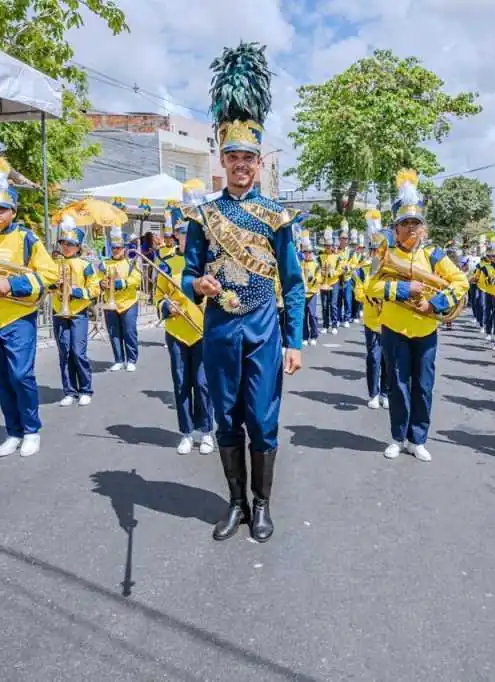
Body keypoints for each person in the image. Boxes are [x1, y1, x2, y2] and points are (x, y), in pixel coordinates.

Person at [180, 42, 304, 543]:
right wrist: (198, 284)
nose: (240, 165)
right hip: (218, 329)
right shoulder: (202, 215)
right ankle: (235, 504)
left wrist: (294, 341)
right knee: (225, 416)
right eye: (232, 156)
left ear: (259, 161)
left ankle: (262, 504)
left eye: (248, 158)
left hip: (263, 328)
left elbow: (294, 285)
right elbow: (187, 274)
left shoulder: (276, 215)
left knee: (263, 418)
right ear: (223, 159)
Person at [367, 170, 468, 462]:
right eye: (405, 224)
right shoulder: (384, 254)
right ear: (395, 228)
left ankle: (418, 438)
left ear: (423, 229)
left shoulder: (435, 255)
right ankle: (398, 437)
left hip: (425, 330)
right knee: (397, 386)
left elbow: (460, 282)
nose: (411, 229)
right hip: (394, 329)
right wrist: (403, 288)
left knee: (423, 386)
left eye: (416, 224)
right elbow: (370, 286)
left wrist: (434, 304)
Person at [0, 160, 59, 458]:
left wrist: (13, 285)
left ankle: (31, 430)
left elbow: (50, 274)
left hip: (19, 315)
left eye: (1, 209)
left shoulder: (26, 237)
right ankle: (13, 431)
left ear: (13, 212)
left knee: (21, 376)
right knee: (2, 378)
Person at [155, 200, 214, 456]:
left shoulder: (209, 264)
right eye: (181, 234)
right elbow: (158, 298)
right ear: (176, 236)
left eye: (190, 234)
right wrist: (167, 307)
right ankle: (186, 432)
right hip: (177, 331)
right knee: (181, 382)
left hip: (203, 332)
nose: (185, 239)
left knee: (202, 384)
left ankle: (207, 431)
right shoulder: (167, 265)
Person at [51, 220, 101, 407]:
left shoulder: (85, 265)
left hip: (78, 312)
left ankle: (86, 389)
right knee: (64, 352)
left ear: (78, 246)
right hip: (59, 311)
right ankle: (69, 391)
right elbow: (46, 283)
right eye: (64, 243)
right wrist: (53, 285)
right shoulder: (55, 263)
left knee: (78, 352)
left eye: (70, 244)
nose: (66, 247)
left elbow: (95, 290)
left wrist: (75, 291)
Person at [100, 229, 142, 372]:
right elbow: (97, 279)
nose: (116, 250)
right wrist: (101, 283)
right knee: (114, 332)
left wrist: (122, 283)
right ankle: (118, 359)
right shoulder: (104, 263)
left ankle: (131, 359)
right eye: (114, 248)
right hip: (110, 302)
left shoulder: (131, 262)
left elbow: (137, 279)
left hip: (128, 302)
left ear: (124, 248)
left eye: (119, 248)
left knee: (129, 331)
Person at [357, 230, 389, 409]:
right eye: (374, 250)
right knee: (374, 358)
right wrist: (369, 296)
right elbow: (359, 291)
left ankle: (385, 392)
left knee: (388, 359)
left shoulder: (390, 270)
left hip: (388, 321)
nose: (376, 253)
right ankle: (374, 393)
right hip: (371, 320)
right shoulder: (364, 271)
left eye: (379, 250)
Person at [299, 232, 322, 346]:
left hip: (312, 293)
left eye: (309, 252)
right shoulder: (301, 264)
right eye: (306, 252)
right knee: (303, 316)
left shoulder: (316, 264)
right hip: (303, 293)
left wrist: (313, 280)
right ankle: (304, 336)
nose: (307, 254)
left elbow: (319, 277)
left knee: (312, 315)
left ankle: (314, 335)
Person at [318, 228, 340, 334]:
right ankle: (325, 325)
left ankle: (334, 325)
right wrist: (321, 274)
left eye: (329, 246)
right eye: (326, 245)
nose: (328, 247)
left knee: (333, 304)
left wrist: (333, 272)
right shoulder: (320, 257)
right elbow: (317, 269)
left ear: (332, 246)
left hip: (334, 282)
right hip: (323, 283)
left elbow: (342, 268)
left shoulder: (337, 257)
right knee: (324, 305)